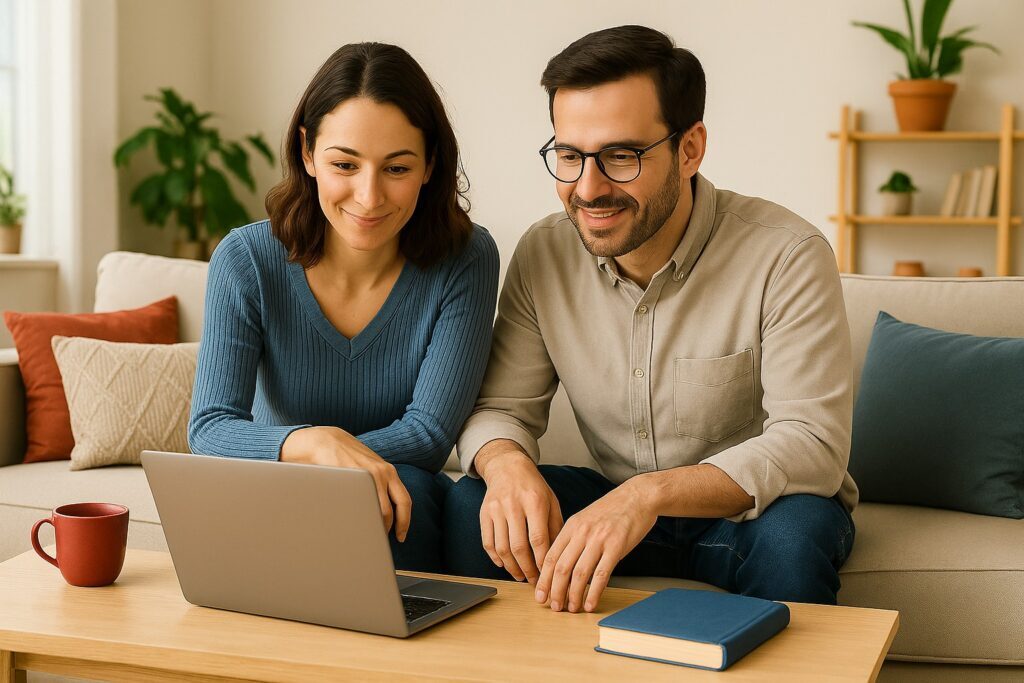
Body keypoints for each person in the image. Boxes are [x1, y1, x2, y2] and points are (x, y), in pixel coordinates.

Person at [444, 25, 858, 610]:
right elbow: (501, 410)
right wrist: (507, 465)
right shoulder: (544, 254)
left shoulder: (786, 254)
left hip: (751, 515)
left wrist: (650, 494)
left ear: (689, 149)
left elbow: (811, 442)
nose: (587, 189)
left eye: (620, 156)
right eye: (568, 156)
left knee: (794, 539)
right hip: (614, 501)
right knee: (473, 508)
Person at [189, 42, 499, 573]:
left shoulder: (466, 257)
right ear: (308, 153)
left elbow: (427, 434)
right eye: (344, 164)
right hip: (278, 487)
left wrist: (338, 458)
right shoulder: (245, 259)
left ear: (430, 165)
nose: (369, 196)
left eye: (397, 168)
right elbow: (210, 427)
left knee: (407, 499)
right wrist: (314, 446)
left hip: (403, 492)